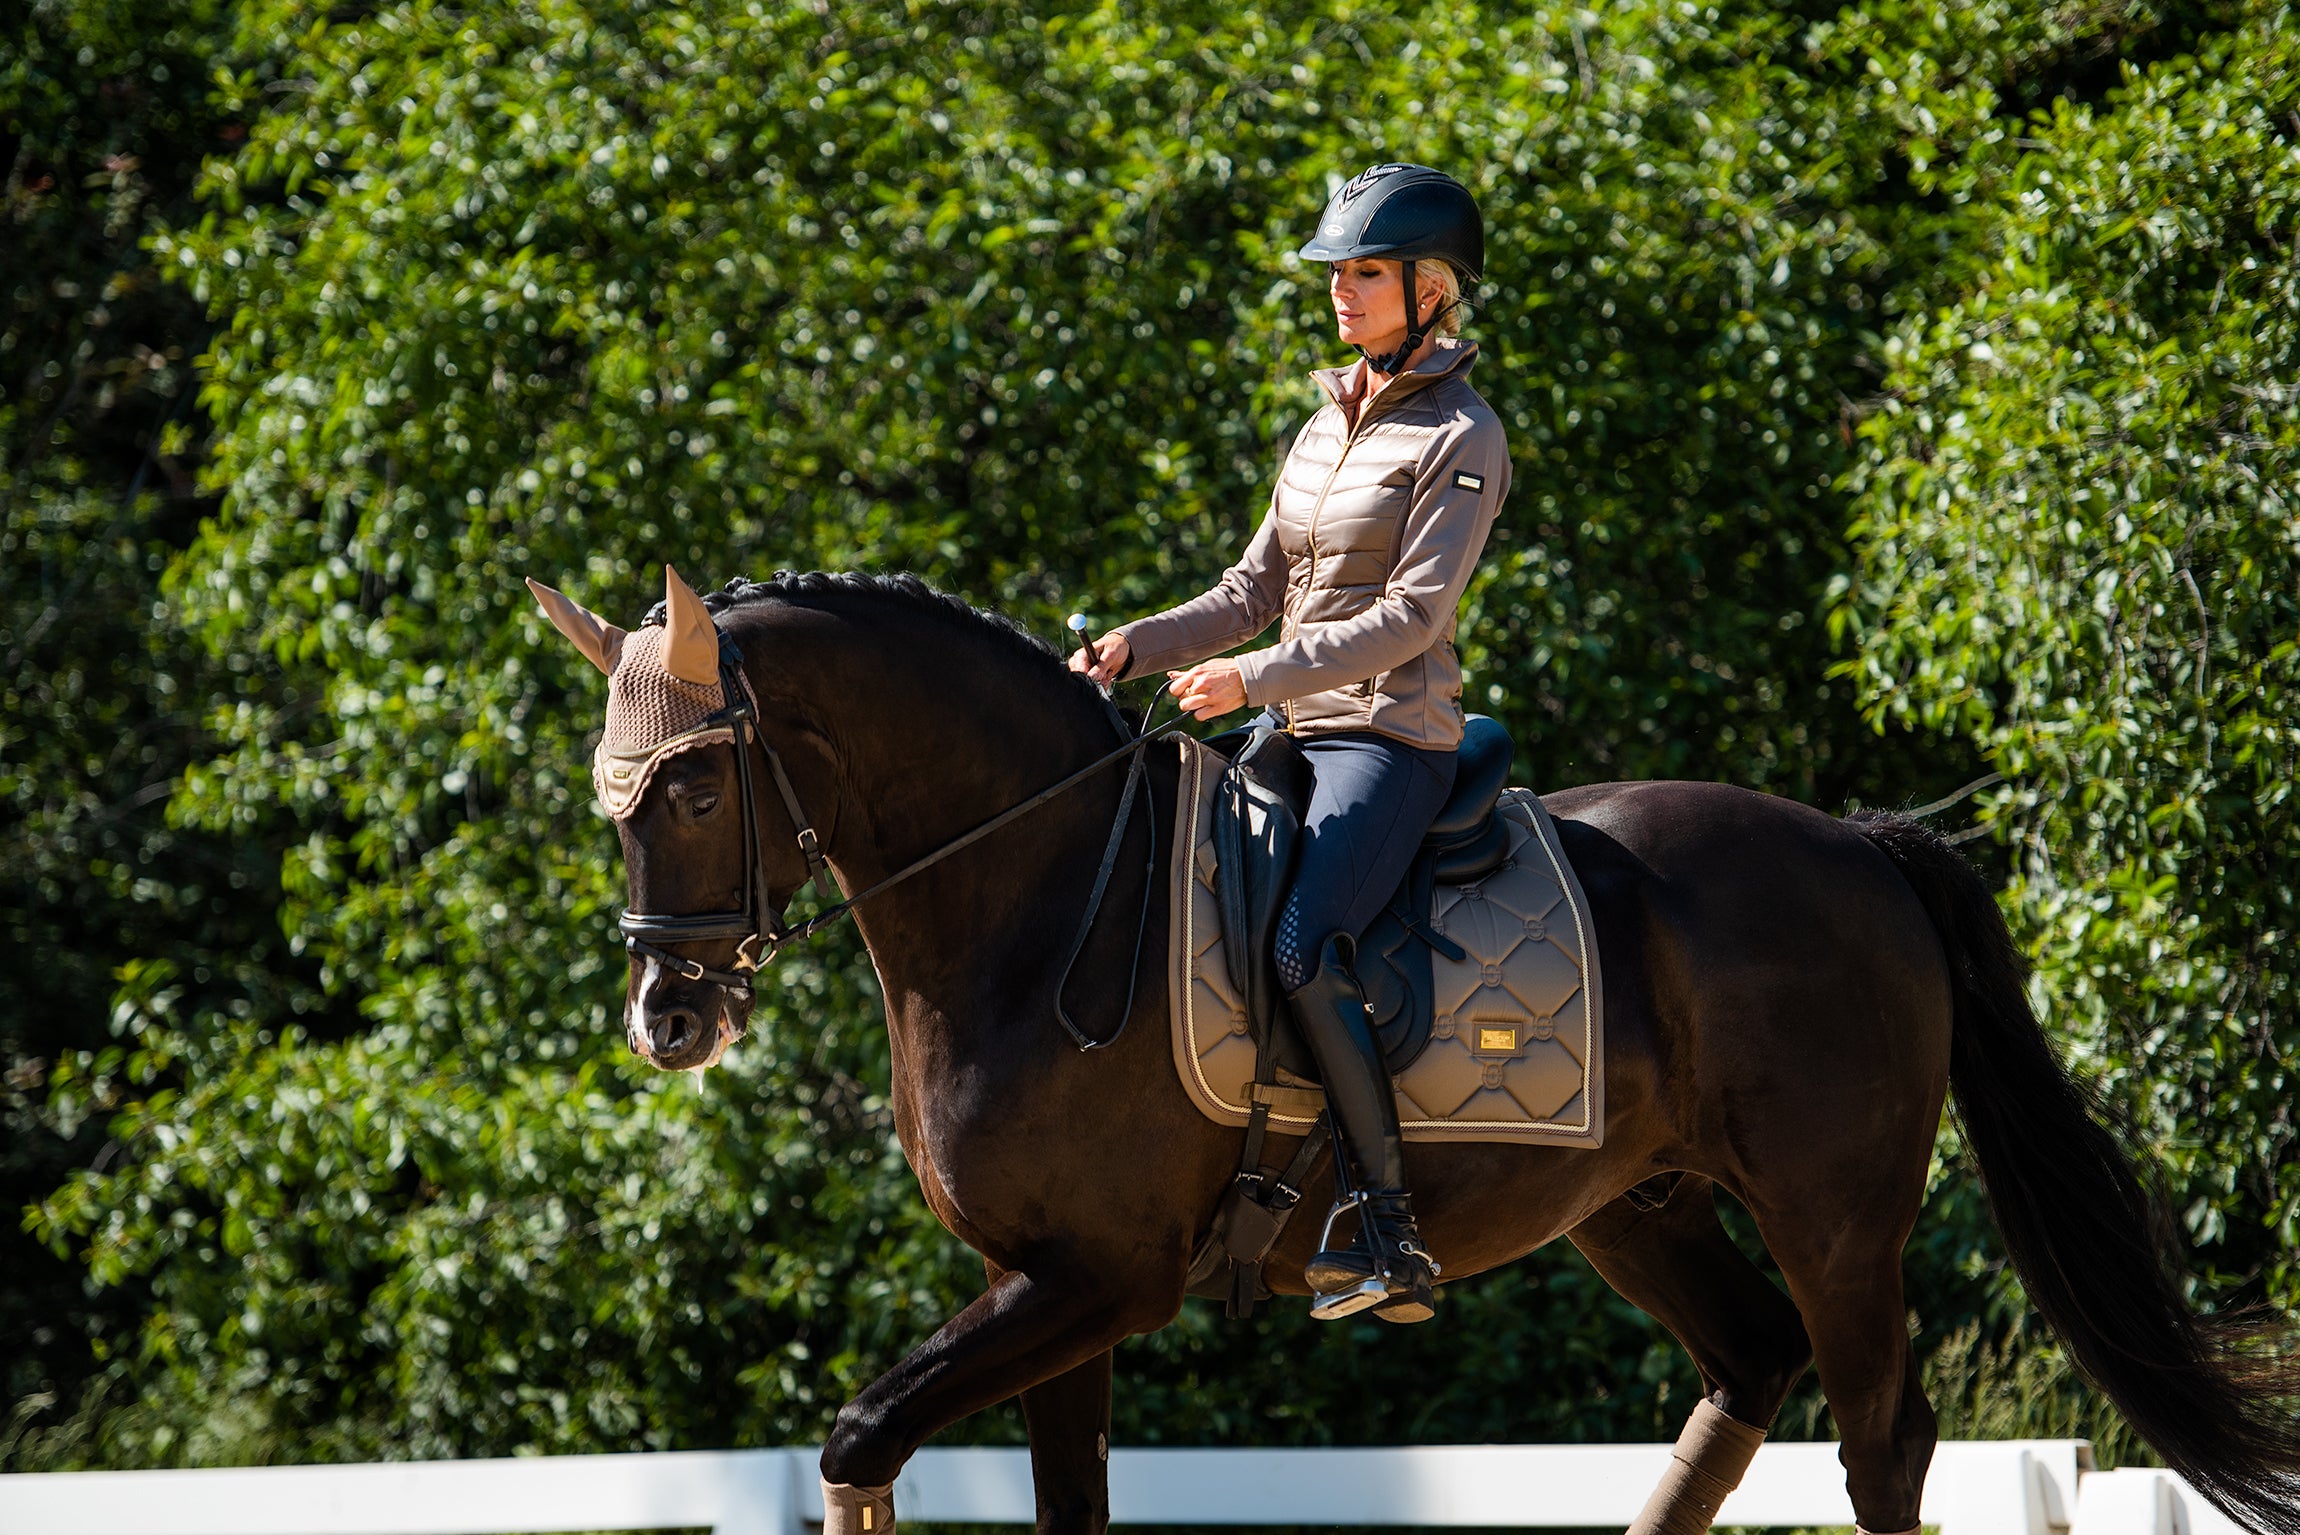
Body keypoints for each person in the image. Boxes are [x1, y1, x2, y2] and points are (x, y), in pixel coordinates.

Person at [1069, 163, 1511, 1323]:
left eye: (1363, 272)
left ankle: (1384, 1221)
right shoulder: (1324, 425)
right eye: (1336, 273)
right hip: (1288, 728)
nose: (1339, 292)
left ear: (1431, 288)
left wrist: (1249, 676)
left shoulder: (1461, 435)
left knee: (1305, 944)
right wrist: (1137, 639)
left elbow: (1411, 616)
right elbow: (1248, 585)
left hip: (1385, 742)